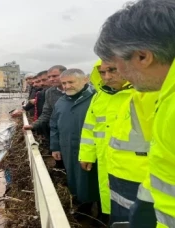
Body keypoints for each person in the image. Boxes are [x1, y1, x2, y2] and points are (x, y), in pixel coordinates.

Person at [93, 0, 175, 227]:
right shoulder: (166, 94)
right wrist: (145, 203)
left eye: (116, 64)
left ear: (142, 56)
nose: (116, 74)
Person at [79, 60, 134, 225]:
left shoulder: (141, 94)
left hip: (133, 163)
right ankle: (108, 217)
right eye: (102, 73)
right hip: (104, 157)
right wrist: (87, 154)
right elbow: (89, 128)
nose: (107, 77)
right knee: (108, 195)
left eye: (113, 70)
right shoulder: (99, 96)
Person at [49, 68, 99, 219]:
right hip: (68, 149)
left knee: (93, 180)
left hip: (92, 150)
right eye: (64, 83)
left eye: (71, 82)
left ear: (85, 80)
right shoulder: (61, 101)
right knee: (74, 179)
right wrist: (55, 146)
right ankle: (81, 205)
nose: (66, 86)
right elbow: (54, 125)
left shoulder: (96, 99)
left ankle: (99, 212)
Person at [24, 65, 67, 168]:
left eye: (55, 76)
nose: (52, 79)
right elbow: (46, 113)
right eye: (50, 76)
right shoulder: (50, 92)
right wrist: (33, 125)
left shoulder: (81, 92)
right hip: (57, 132)